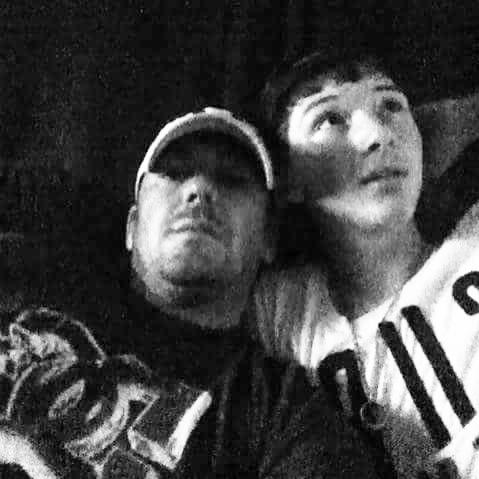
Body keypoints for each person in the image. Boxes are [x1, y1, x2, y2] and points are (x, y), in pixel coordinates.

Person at [0, 107, 382, 478]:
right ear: (131, 227)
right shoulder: (37, 273)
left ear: (268, 238)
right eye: (174, 173)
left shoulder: (280, 412)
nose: (199, 189)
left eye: (231, 180)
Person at [254, 51, 479, 478]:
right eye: (328, 119)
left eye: (391, 105)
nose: (378, 134)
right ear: (286, 179)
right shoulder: (282, 312)